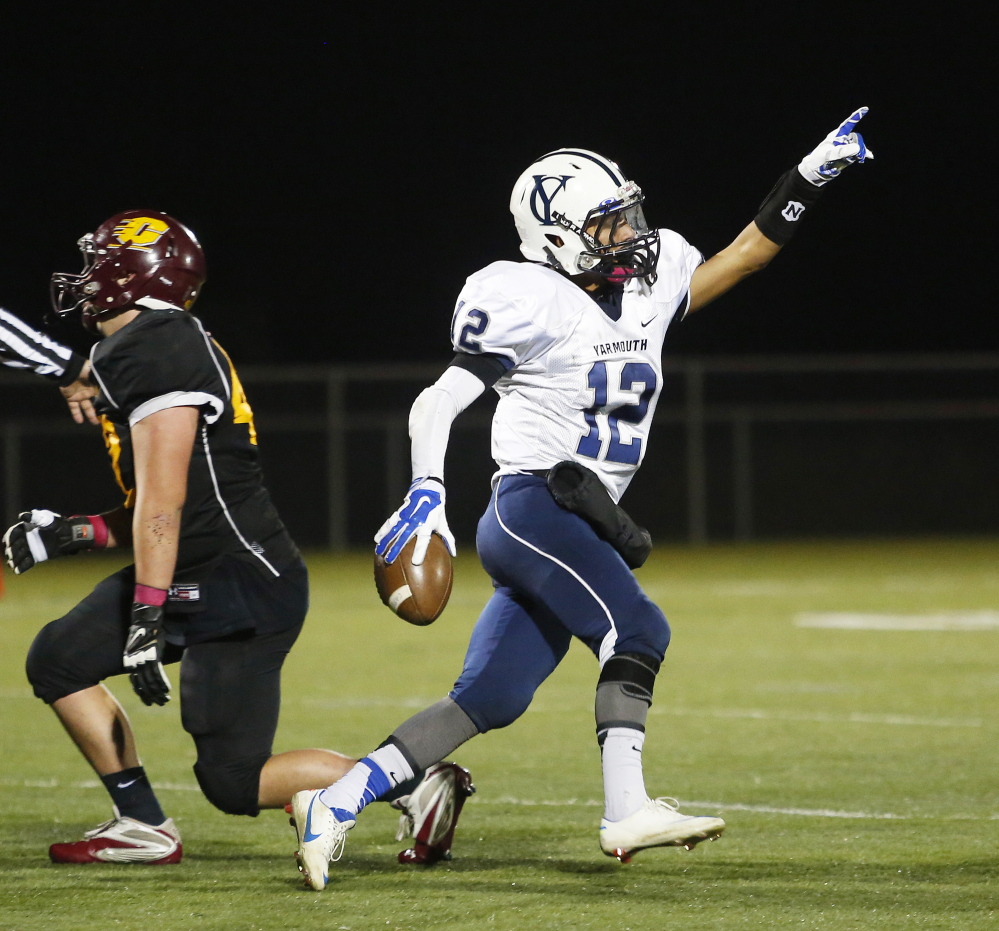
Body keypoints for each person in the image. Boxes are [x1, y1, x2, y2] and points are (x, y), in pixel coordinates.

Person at [288, 108, 874, 890]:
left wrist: (809, 176)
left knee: (488, 697)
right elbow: (436, 401)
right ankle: (624, 808)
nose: (630, 232)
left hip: (574, 512)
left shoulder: (649, 280)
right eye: (607, 224)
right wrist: (426, 490)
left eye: (627, 213)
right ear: (556, 236)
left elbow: (743, 257)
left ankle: (335, 799)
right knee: (638, 626)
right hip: (529, 506)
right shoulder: (525, 296)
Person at [2, 211, 472, 866]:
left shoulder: (157, 343)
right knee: (58, 657)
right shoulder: (144, 348)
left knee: (232, 779)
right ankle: (142, 823)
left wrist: (146, 611)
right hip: (202, 566)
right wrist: (73, 531)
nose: (84, 277)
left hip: (238, 583)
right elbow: (162, 505)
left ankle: (411, 782)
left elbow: (165, 505)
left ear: (132, 274)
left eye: (97, 260)